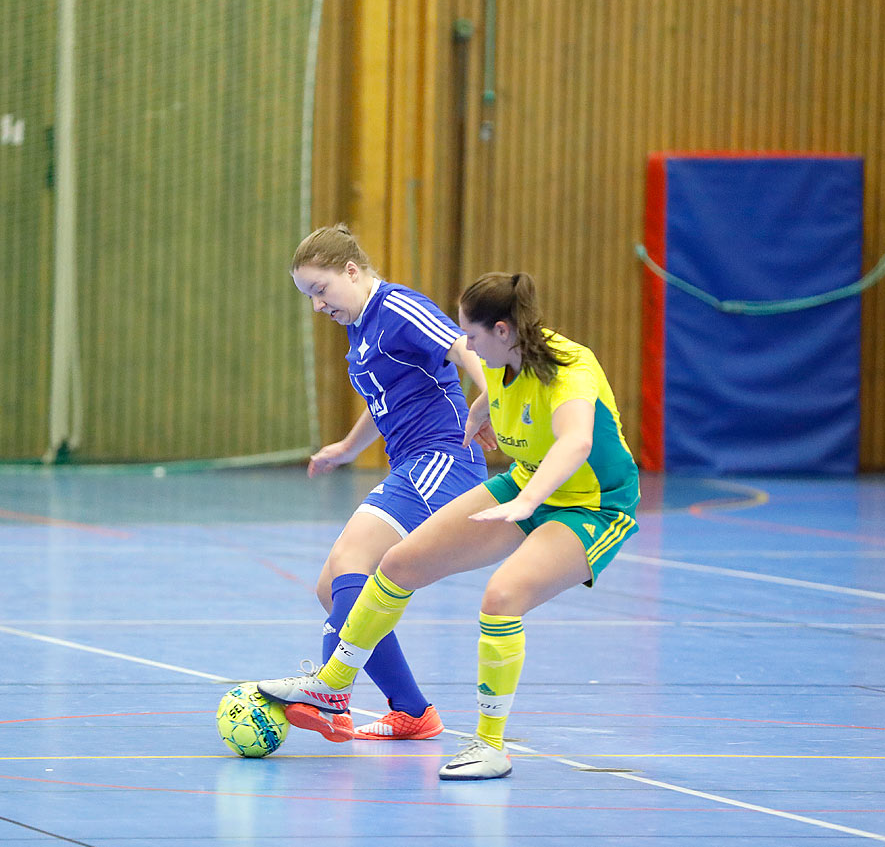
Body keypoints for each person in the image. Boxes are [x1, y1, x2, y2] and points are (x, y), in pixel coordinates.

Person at [259, 271, 639, 779]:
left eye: (472, 335)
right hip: (526, 481)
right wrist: (480, 410)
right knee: (397, 564)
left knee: (501, 598)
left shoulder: (570, 367)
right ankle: (332, 684)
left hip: (592, 505)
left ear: (503, 331)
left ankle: (490, 746)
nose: (465, 345)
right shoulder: (500, 360)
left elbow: (576, 443)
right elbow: (493, 388)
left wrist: (527, 502)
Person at [286, 224, 492, 741]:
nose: (318, 307)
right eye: (309, 297)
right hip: (411, 462)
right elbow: (386, 398)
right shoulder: (359, 325)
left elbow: (464, 347)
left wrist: (489, 400)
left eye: (320, 291)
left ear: (351, 272)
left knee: (351, 565)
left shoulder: (396, 306)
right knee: (329, 587)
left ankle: (332, 694)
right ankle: (412, 711)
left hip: (443, 457)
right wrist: (347, 448)